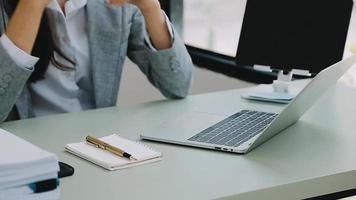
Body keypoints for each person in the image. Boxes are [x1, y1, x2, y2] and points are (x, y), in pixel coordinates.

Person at [0, 0, 193, 123]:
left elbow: (178, 86)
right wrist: (32, 5)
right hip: (23, 154)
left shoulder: (117, 8)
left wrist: (150, 7)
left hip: (95, 147)